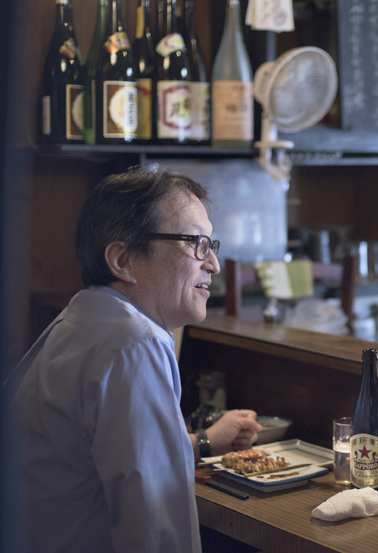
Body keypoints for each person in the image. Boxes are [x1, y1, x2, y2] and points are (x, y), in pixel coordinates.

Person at [4, 167, 262, 553]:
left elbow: (102, 455)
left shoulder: (85, 319)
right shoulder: (133, 345)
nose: (213, 265)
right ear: (122, 259)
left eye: (211, 244)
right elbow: (158, 533)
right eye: (195, 242)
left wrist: (202, 442)